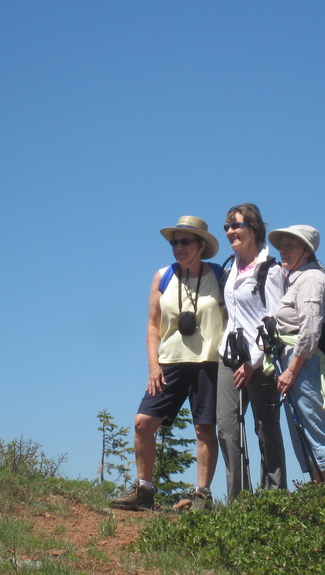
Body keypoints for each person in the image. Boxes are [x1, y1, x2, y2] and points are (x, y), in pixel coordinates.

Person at [110, 216, 225, 510]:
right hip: (169, 362)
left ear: (201, 245)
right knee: (143, 422)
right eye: (174, 241)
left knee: (204, 429)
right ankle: (143, 490)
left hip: (209, 363)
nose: (177, 247)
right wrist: (153, 365)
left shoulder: (220, 276)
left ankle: (201, 495)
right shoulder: (163, 276)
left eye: (184, 241)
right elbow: (152, 326)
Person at [216, 203, 288, 499]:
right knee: (227, 428)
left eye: (236, 225)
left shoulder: (270, 271)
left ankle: (274, 500)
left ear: (255, 229)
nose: (231, 231)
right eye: (227, 226)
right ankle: (238, 504)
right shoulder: (228, 268)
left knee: (265, 428)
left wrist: (254, 362)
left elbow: (276, 322)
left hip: (261, 360)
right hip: (229, 357)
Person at [267, 224, 325, 484]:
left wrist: (291, 370)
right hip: (300, 362)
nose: (283, 250)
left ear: (307, 251)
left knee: (315, 431)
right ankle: (320, 500)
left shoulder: (310, 280)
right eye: (282, 245)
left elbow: (309, 331)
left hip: (305, 364)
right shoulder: (299, 279)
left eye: (291, 245)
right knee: (304, 432)